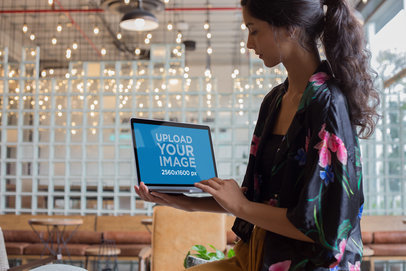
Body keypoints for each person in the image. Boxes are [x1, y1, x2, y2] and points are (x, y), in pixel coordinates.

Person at [134, 0, 380, 269]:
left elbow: (321, 228)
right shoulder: (275, 100)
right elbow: (254, 199)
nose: (249, 44)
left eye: (254, 30)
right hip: (257, 254)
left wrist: (240, 206)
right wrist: (183, 202)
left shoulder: (328, 103)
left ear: (290, 29)